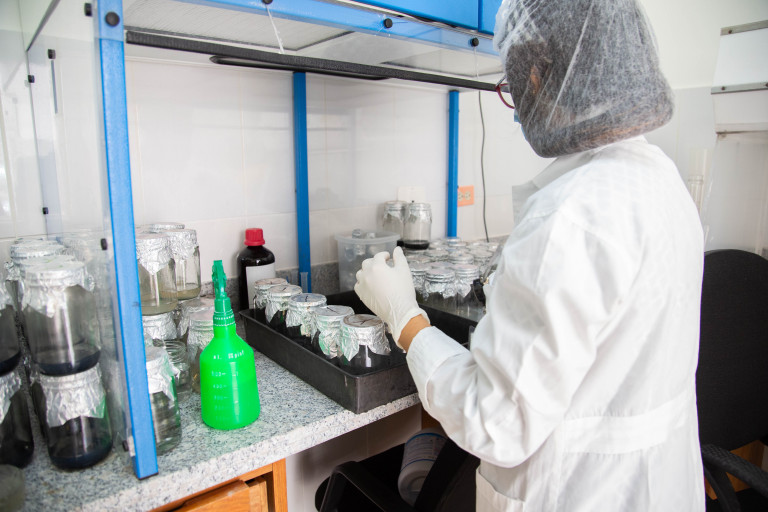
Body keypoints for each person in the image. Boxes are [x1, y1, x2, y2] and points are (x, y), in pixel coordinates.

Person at [354, 0, 706, 510]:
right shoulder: (661, 179)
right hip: (655, 486)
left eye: (512, 83)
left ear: (538, 74)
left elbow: (494, 421)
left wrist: (405, 318)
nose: (517, 103)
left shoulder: (567, 216)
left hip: (576, 494)